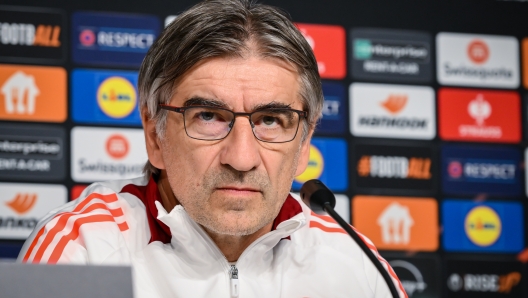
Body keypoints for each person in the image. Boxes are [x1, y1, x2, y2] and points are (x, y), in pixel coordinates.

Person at [18, 0, 406, 297]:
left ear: (304, 143)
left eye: (271, 121)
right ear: (156, 135)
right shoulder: (82, 247)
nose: (241, 158)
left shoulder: (354, 261)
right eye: (208, 116)